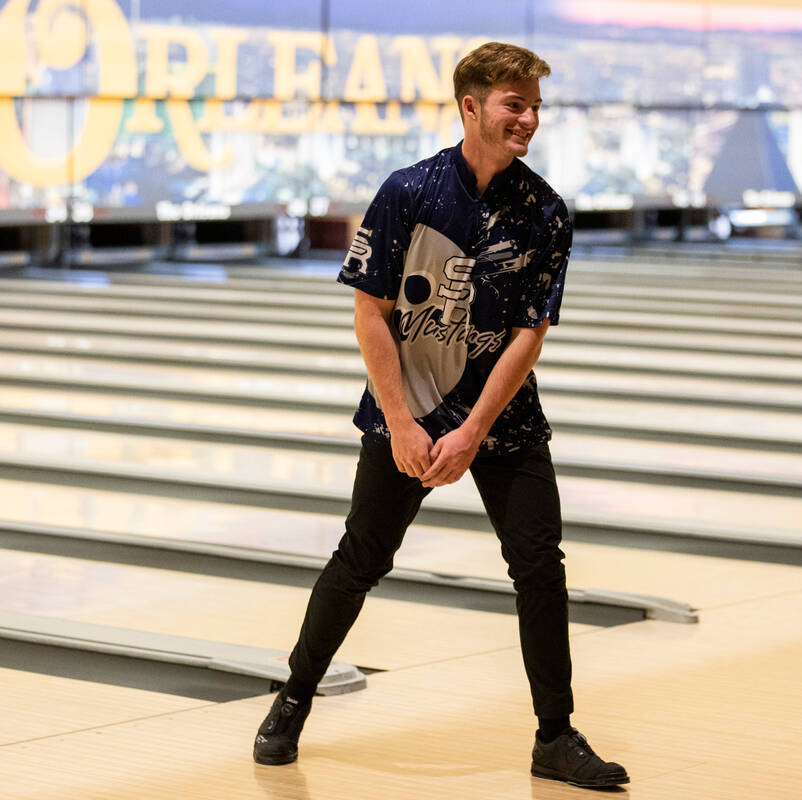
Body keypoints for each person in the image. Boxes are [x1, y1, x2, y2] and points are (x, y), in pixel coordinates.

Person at [253, 41, 629, 789]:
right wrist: (401, 421)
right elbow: (370, 313)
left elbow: (529, 333)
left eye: (535, 107)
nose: (528, 119)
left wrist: (474, 430)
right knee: (360, 561)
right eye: (514, 104)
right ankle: (292, 701)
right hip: (409, 413)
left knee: (539, 568)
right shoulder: (411, 192)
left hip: (501, 419)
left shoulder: (545, 211)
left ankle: (555, 736)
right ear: (471, 106)